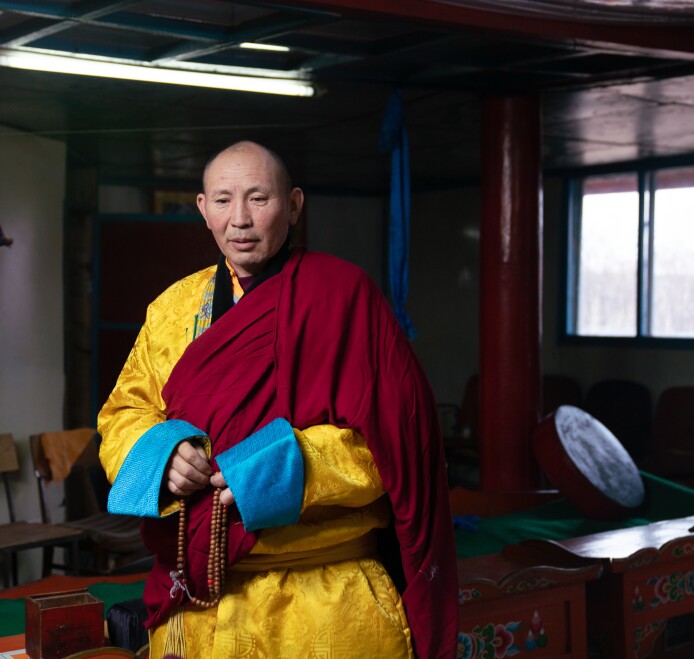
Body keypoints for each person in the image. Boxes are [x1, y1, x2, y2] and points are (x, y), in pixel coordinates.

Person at [98, 140, 458, 658]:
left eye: (258, 199)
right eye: (223, 201)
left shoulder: (345, 299)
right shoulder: (173, 309)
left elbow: (397, 443)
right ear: (202, 210)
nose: (239, 219)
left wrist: (271, 470)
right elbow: (122, 414)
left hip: (326, 606)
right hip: (199, 608)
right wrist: (163, 455)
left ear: (293, 205)